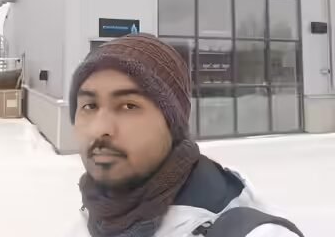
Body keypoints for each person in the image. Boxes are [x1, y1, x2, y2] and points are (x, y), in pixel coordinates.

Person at [68, 34, 303, 237]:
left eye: (129, 106)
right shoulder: (88, 221)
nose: (100, 129)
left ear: (173, 124)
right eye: (89, 106)